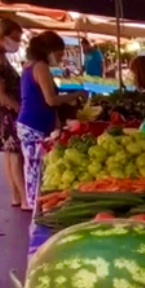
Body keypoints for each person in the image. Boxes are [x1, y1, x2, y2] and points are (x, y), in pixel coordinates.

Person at [17, 31, 85, 211]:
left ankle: (35, 205)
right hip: (34, 124)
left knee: (34, 168)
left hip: (31, 122)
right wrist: (76, 94)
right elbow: (51, 100)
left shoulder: (29, 66)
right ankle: (35, 209)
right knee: (35, 170)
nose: (61, 57)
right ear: (49, 50)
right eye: (60, 53)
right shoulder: (40, 67)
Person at [0, 18, 28, 210]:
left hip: (4, 110)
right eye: (14, 38)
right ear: (2, 36)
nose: (17, 42)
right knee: (15, 155)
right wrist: (20, 109)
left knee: (9, 155)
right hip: (8, 112)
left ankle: (16, 196)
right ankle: (24, 198)